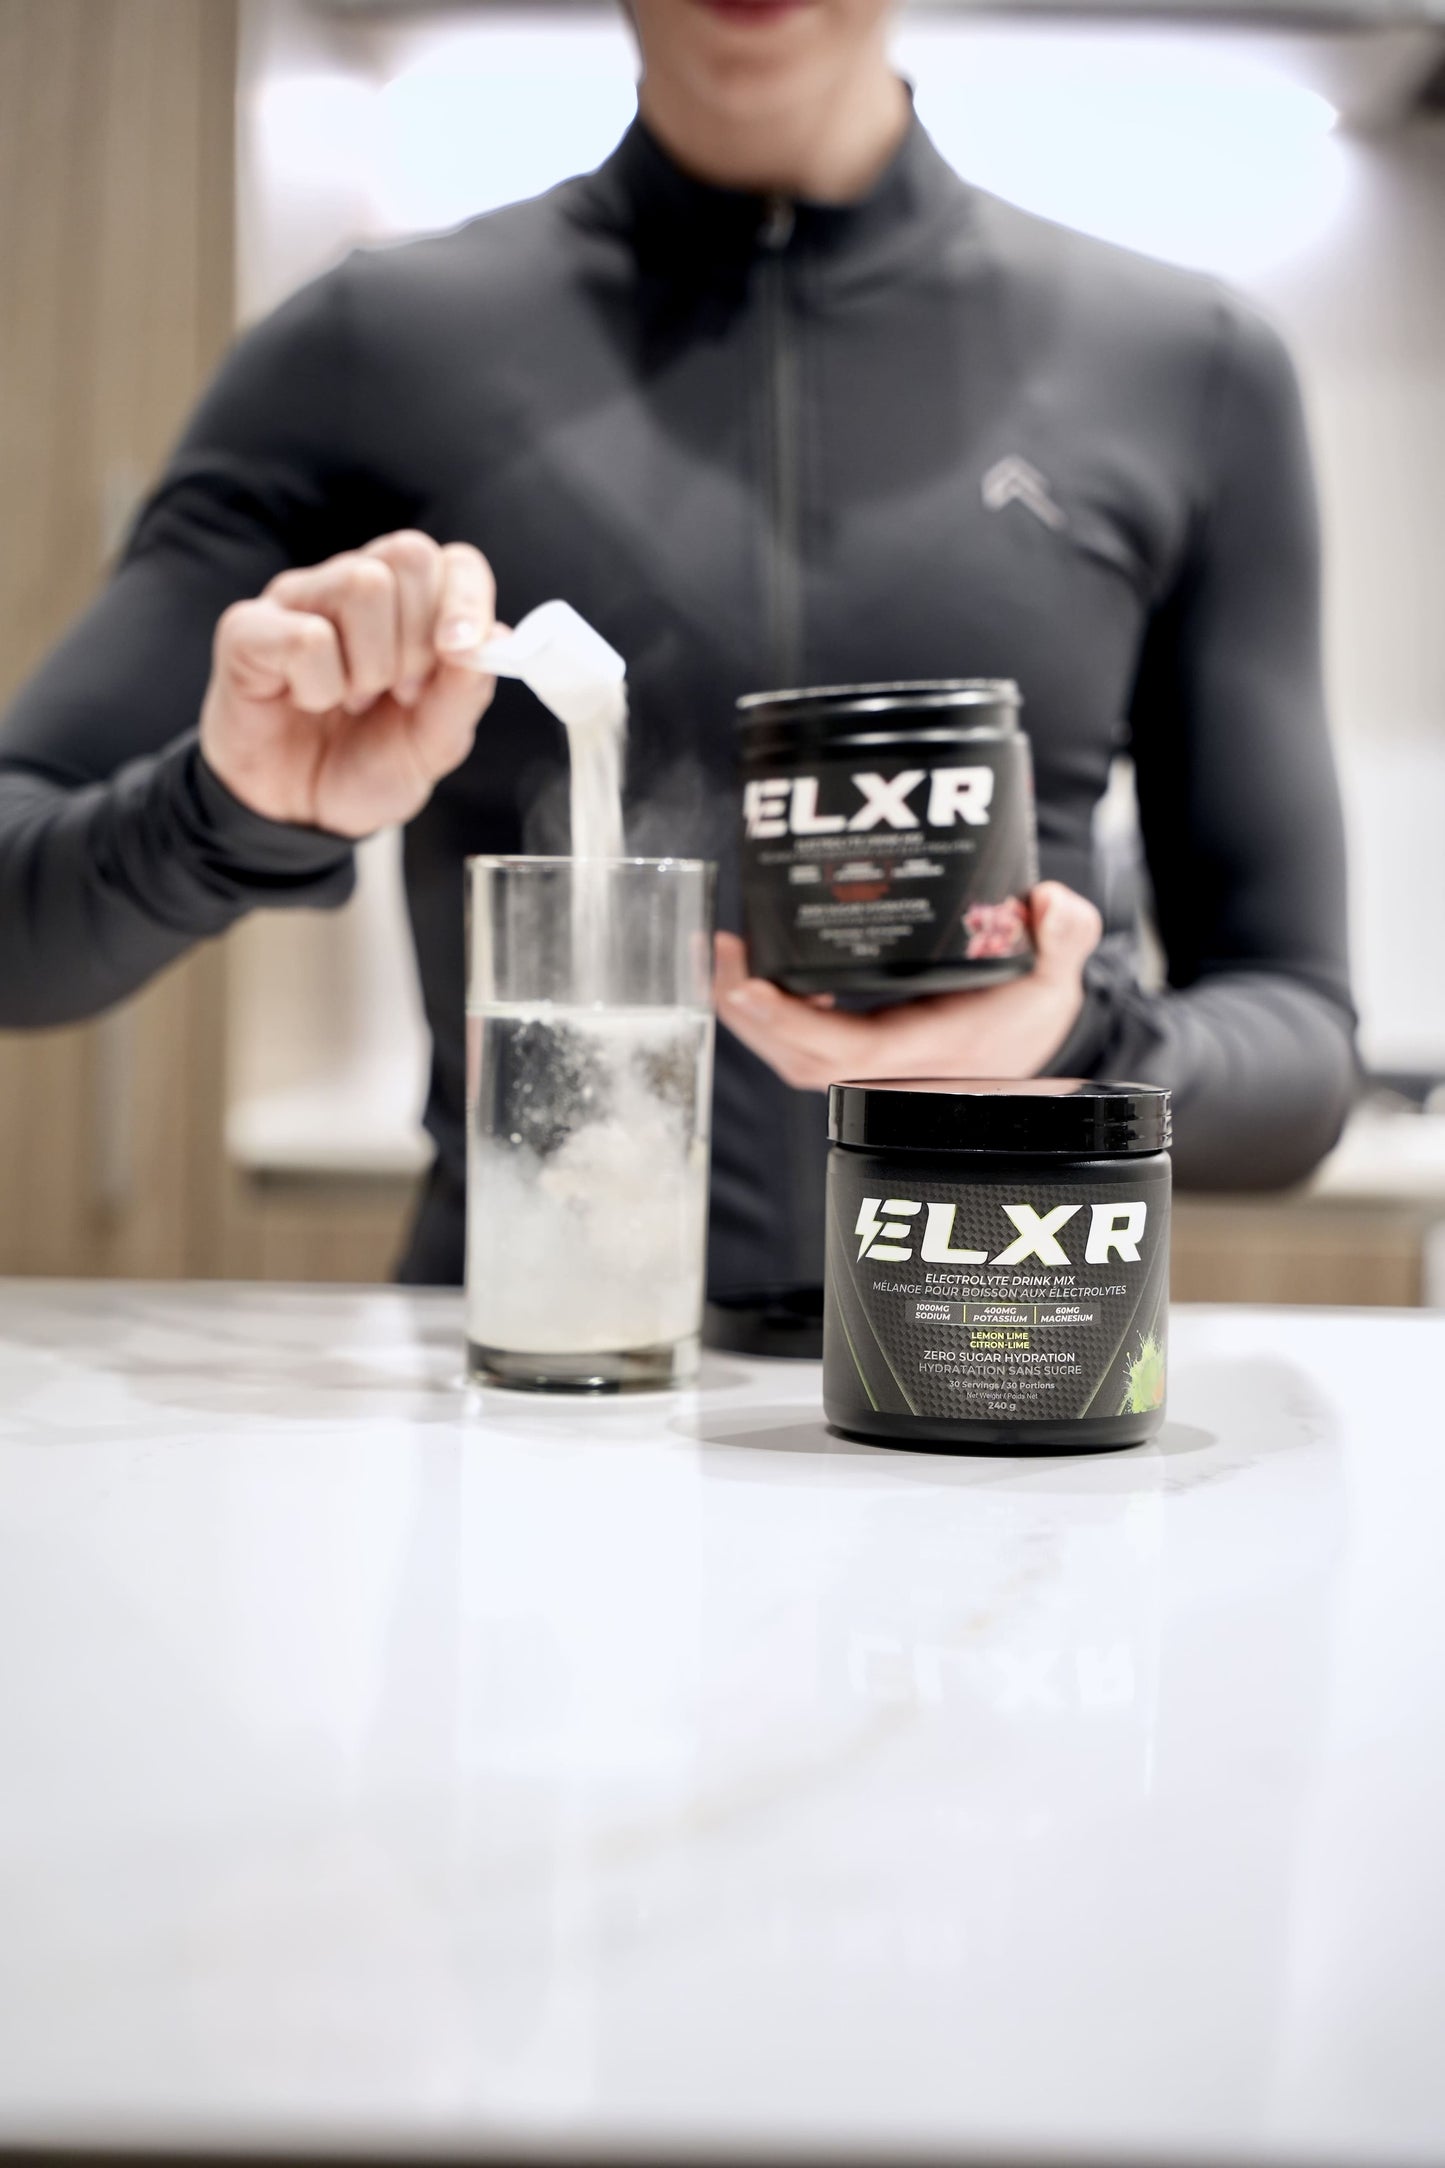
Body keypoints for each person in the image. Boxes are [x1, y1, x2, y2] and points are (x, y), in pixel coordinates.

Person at [0, 0, 1355, 1307]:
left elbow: (1298, 1056)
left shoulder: (1187, 369)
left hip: (995, 1382)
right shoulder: (370, 351)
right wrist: (228, 805)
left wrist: (1072, 1040)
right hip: (531, 1385)